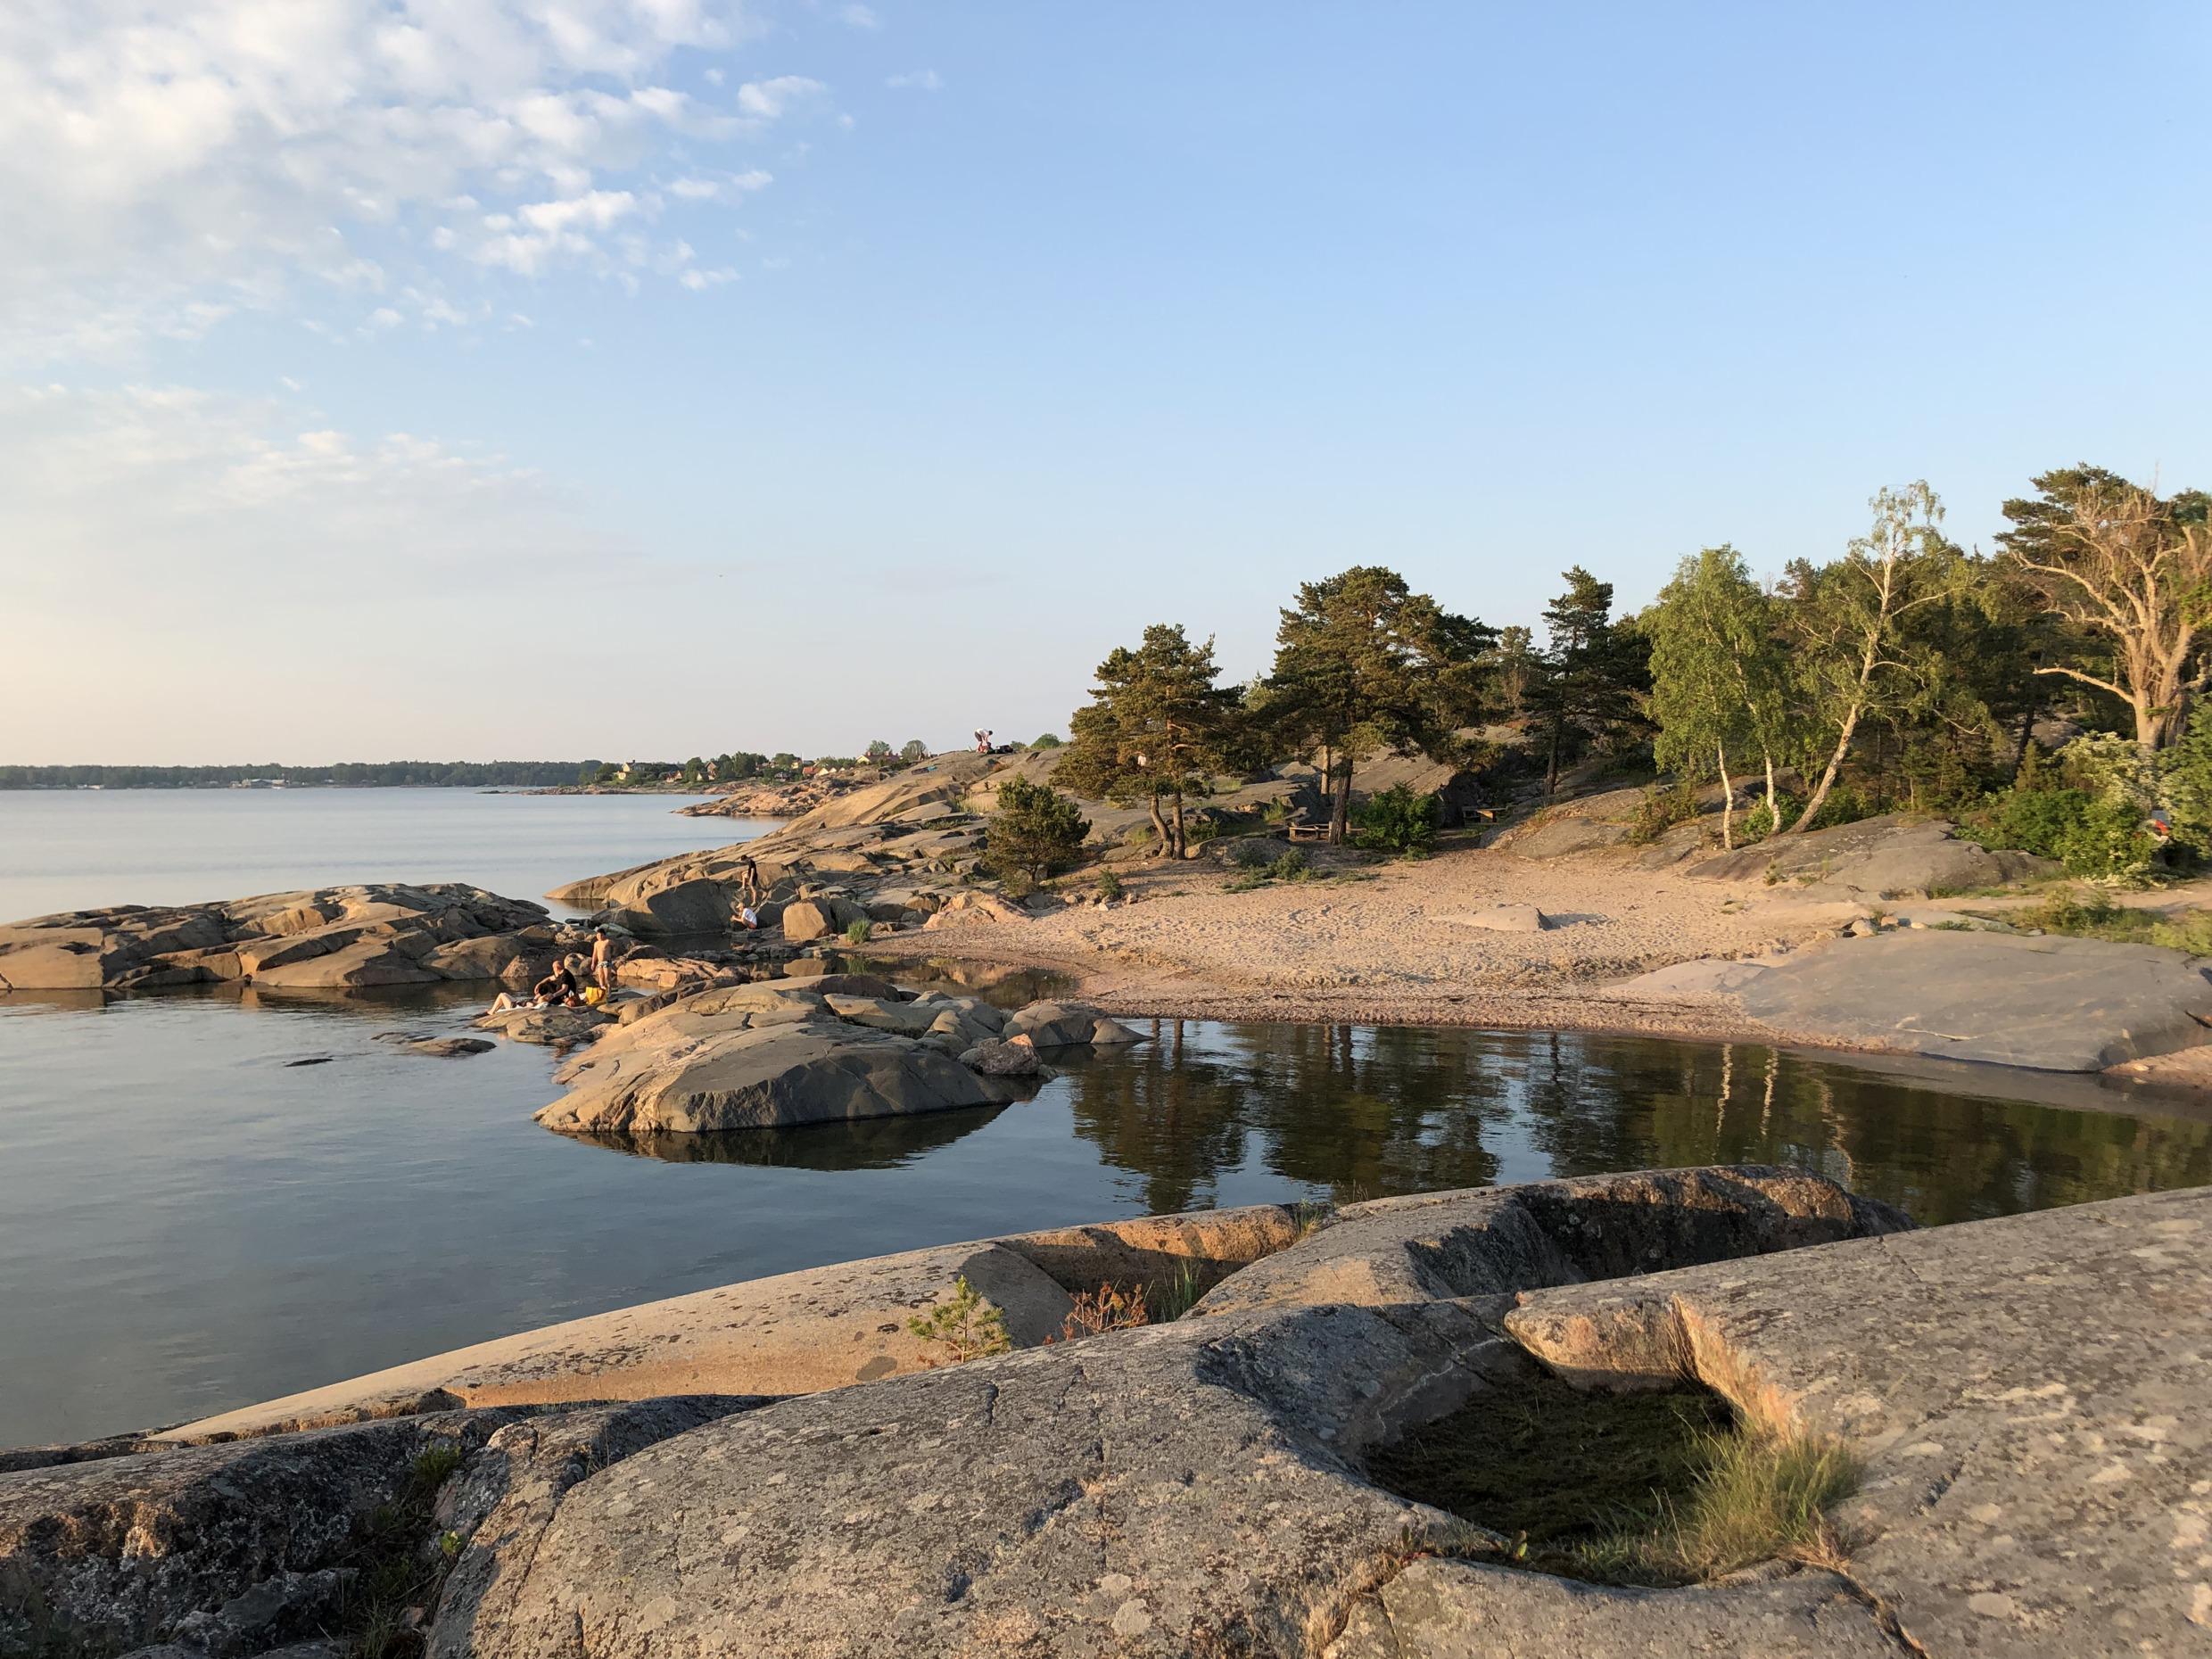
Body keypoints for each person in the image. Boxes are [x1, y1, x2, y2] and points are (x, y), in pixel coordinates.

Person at [589, 928, 614, 993]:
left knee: (607, 976)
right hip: (600, 962)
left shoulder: (608, 941)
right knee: (600, 976)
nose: (599, 936)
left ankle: (609, 989)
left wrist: (612, 954)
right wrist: (593, 963)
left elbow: (615, 946)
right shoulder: (596, 943)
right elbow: (594, 954)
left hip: (607, 961)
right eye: (598, 935)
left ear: (604, 935)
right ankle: (602, 989)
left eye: (601, 935)